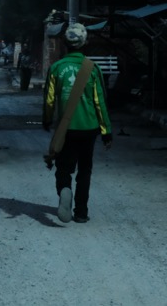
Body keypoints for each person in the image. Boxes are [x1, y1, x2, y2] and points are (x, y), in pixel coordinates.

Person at [42, 22, 112, 224]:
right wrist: (107, 131)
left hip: (66, 129)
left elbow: (49, 99)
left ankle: (65, 190)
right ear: (85, 43)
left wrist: (47, 119)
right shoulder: (93, 68)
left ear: (65, 43)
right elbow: (100, 102)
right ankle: (81, 212)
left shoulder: (56, 67)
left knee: (64, 167)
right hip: (89, 128)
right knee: (85, 170)